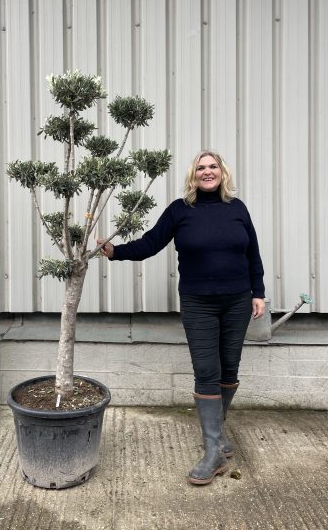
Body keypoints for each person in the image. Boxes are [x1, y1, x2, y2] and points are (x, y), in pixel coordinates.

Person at [98, 150, 265, 485]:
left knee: (229, 369)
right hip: (198, 302)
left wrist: (257, 292)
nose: (207, 172)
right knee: (206, 371)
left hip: (237, 301)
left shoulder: (238, 208)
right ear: (193, 175)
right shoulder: (179, 210)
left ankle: (216, 438)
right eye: (201, 167)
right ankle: (213, 452)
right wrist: (117, 252)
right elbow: (151, 243)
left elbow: (252, 253)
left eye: (213, 166)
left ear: (222, 172)